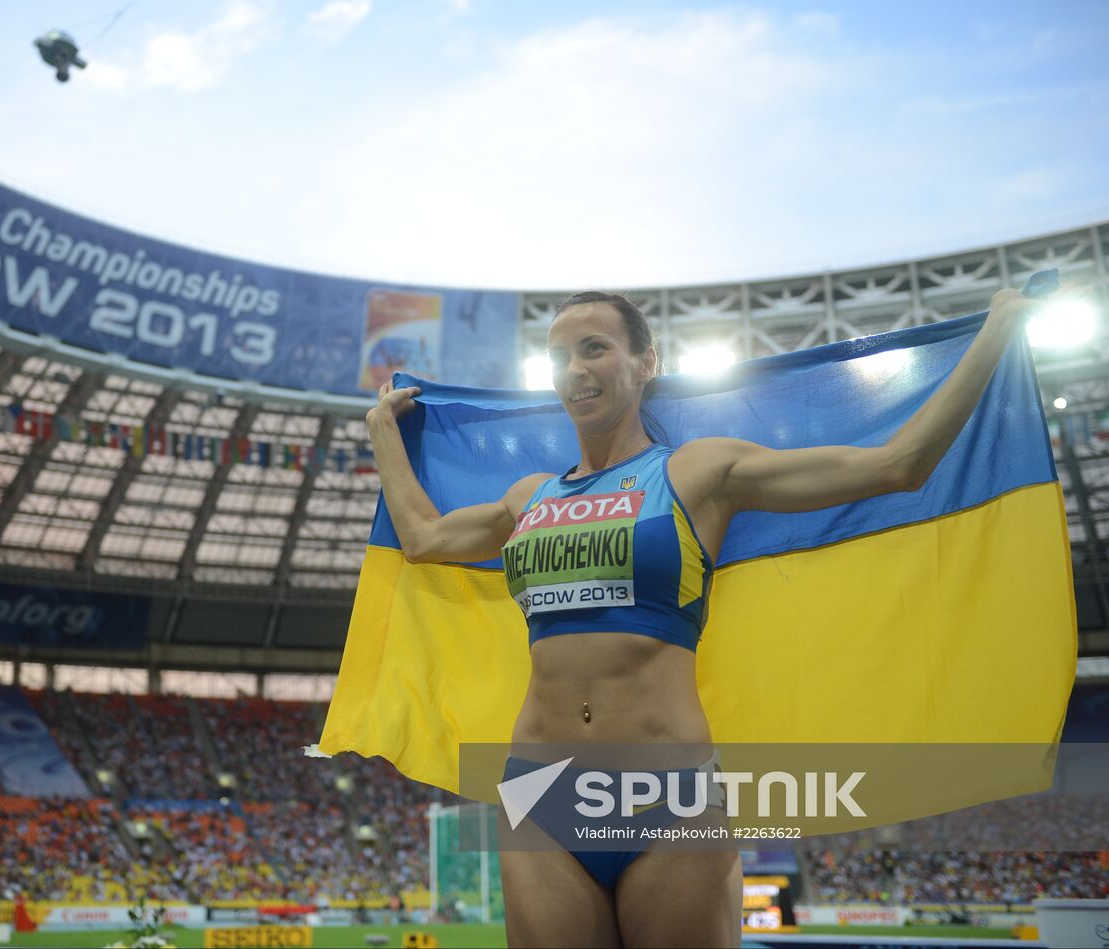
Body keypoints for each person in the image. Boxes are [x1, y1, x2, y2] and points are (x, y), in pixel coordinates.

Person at [363, 286, 1053, 948]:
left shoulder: (699, 473)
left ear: (645, 361)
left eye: (595, 348)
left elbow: (898, 466)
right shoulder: (527, 498)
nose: (576, 370)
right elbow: (422, 538)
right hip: (540, 792)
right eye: (561, 356)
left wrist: (997, 329)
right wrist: (381, 432)